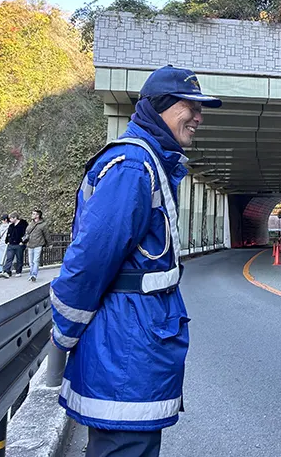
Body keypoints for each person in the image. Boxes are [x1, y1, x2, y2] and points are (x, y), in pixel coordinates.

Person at [50, 65, 221, 457]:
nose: (198, 116)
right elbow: (88, 263)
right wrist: (65, 334)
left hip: (132, 340)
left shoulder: (151, 163)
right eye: (189, 106)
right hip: (124, 343)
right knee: (125, 445)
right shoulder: (133, 167)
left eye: (201, 109)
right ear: (158, 106)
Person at [23, 209, 51, 282]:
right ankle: (31, 274)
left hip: (38, 244)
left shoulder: (43, 224)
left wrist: (49, 243)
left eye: (34, 214)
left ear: (38, 215)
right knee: (30, 262)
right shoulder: (31, 223)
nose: (32, 215)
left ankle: (34, 275)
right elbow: (27, 232)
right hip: (30, 244)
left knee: (36, 260)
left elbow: (46, 234)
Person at [2, 212, 28, 278]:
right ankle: (6, 271)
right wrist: (7, 241)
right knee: (9, 258)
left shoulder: (23, 225)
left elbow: (26, 234)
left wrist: (23, 242)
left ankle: (18, 271)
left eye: (11, 218)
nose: (9, 220)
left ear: (15, 218)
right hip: (11, 244)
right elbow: (8, 234)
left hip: (19, 244)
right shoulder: (11, 226)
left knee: (19, 258)